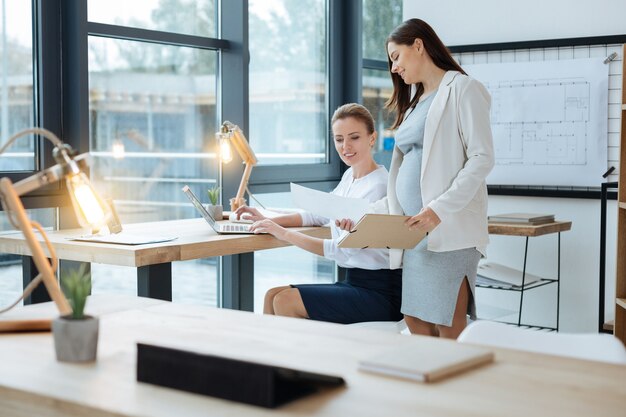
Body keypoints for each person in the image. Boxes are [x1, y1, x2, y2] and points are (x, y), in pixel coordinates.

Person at [364, 19, 494, 338]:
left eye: (396, 56)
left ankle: (457, 388)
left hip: (449, 233)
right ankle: (428, 386)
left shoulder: (463, 89)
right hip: (416, 236)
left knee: (449, 327)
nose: (394, 68)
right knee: (416, 322)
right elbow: (405, 172)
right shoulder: (415, 104)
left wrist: (438, 208)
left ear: (418, 45)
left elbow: (482, 158)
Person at [233, 103, 402, 325]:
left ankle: (298, 358)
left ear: (372, 138)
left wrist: (283, 233)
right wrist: (267, 219)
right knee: (272, 295)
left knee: (285, 301)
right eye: (339, 139)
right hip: (355, 282)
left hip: (380, 292)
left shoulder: (378, 186)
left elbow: (340, 251)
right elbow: (318, 215)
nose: (345, 146)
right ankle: (270, 358)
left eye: (354, 137)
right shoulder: (350, 177)